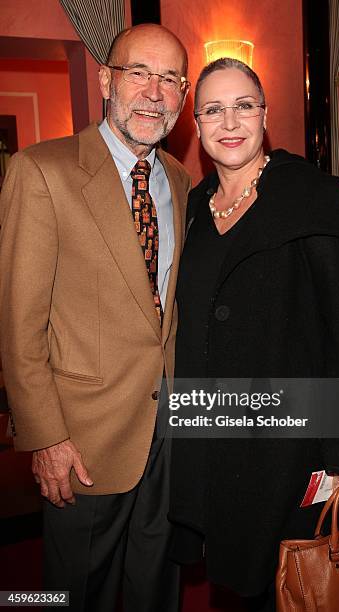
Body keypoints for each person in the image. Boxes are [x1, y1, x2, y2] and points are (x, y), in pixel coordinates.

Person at [168, 58, 339, 611]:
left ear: (265, 114)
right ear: (197, 123)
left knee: (294, 589)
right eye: (213, 109)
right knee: (240, 586)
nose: (230, 121)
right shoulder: (194, 207)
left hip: (293, 446)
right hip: (218, 440)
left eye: (244, 105)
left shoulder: (312, 195)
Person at [0, 24, 190, 612]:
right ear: (107, 79)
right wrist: (46, 437)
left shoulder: (181, 181)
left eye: (169, 81)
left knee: (157, 587)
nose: (153, 93)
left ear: (183, 98)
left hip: (166, 433)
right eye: (140, 73)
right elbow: (17, 324)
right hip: (82, 442)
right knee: (73, 592)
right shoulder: (41, 171)